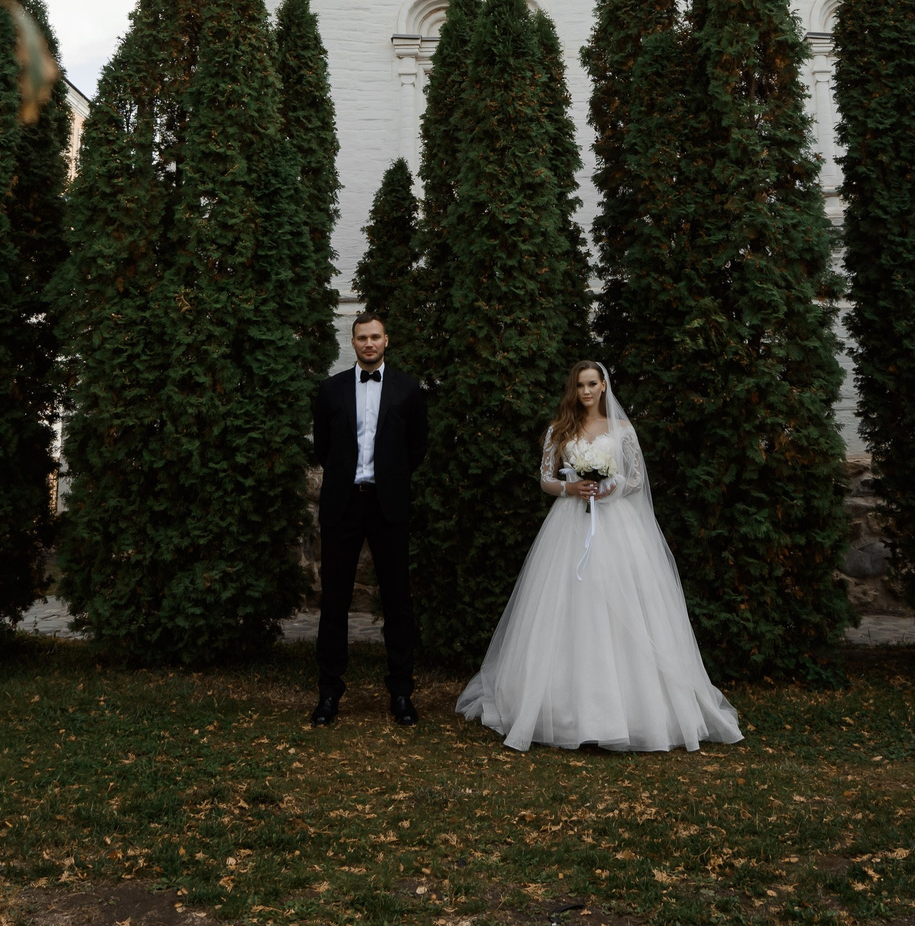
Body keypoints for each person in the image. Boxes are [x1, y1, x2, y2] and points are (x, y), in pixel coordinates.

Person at [456, 360, 741, 752]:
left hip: (616, 524)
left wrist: (612, 486)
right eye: (579, 386)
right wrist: (570, 489)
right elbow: (545, 479)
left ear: (604, 386)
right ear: (573, 389)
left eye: (592, 384)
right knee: (569, 604)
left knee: (624, 605)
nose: (586, 391)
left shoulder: (622, 430)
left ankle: (633, 712)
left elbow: (637, 478)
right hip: (570, 524)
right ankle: (562, 707)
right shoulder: (559, 430)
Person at [311, 312, 429, 727]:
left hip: (388, 504)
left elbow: (417, 447)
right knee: (335, 602)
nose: (369, 344)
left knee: (398, 601)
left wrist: (391, 479)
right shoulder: (330, 389)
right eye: (362, 337)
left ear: (386, 340)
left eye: (376, 336)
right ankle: (329, 693)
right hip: (343, 505)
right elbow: (323, 446)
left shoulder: (408, 388)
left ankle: (401, 693)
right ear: (353, 341)